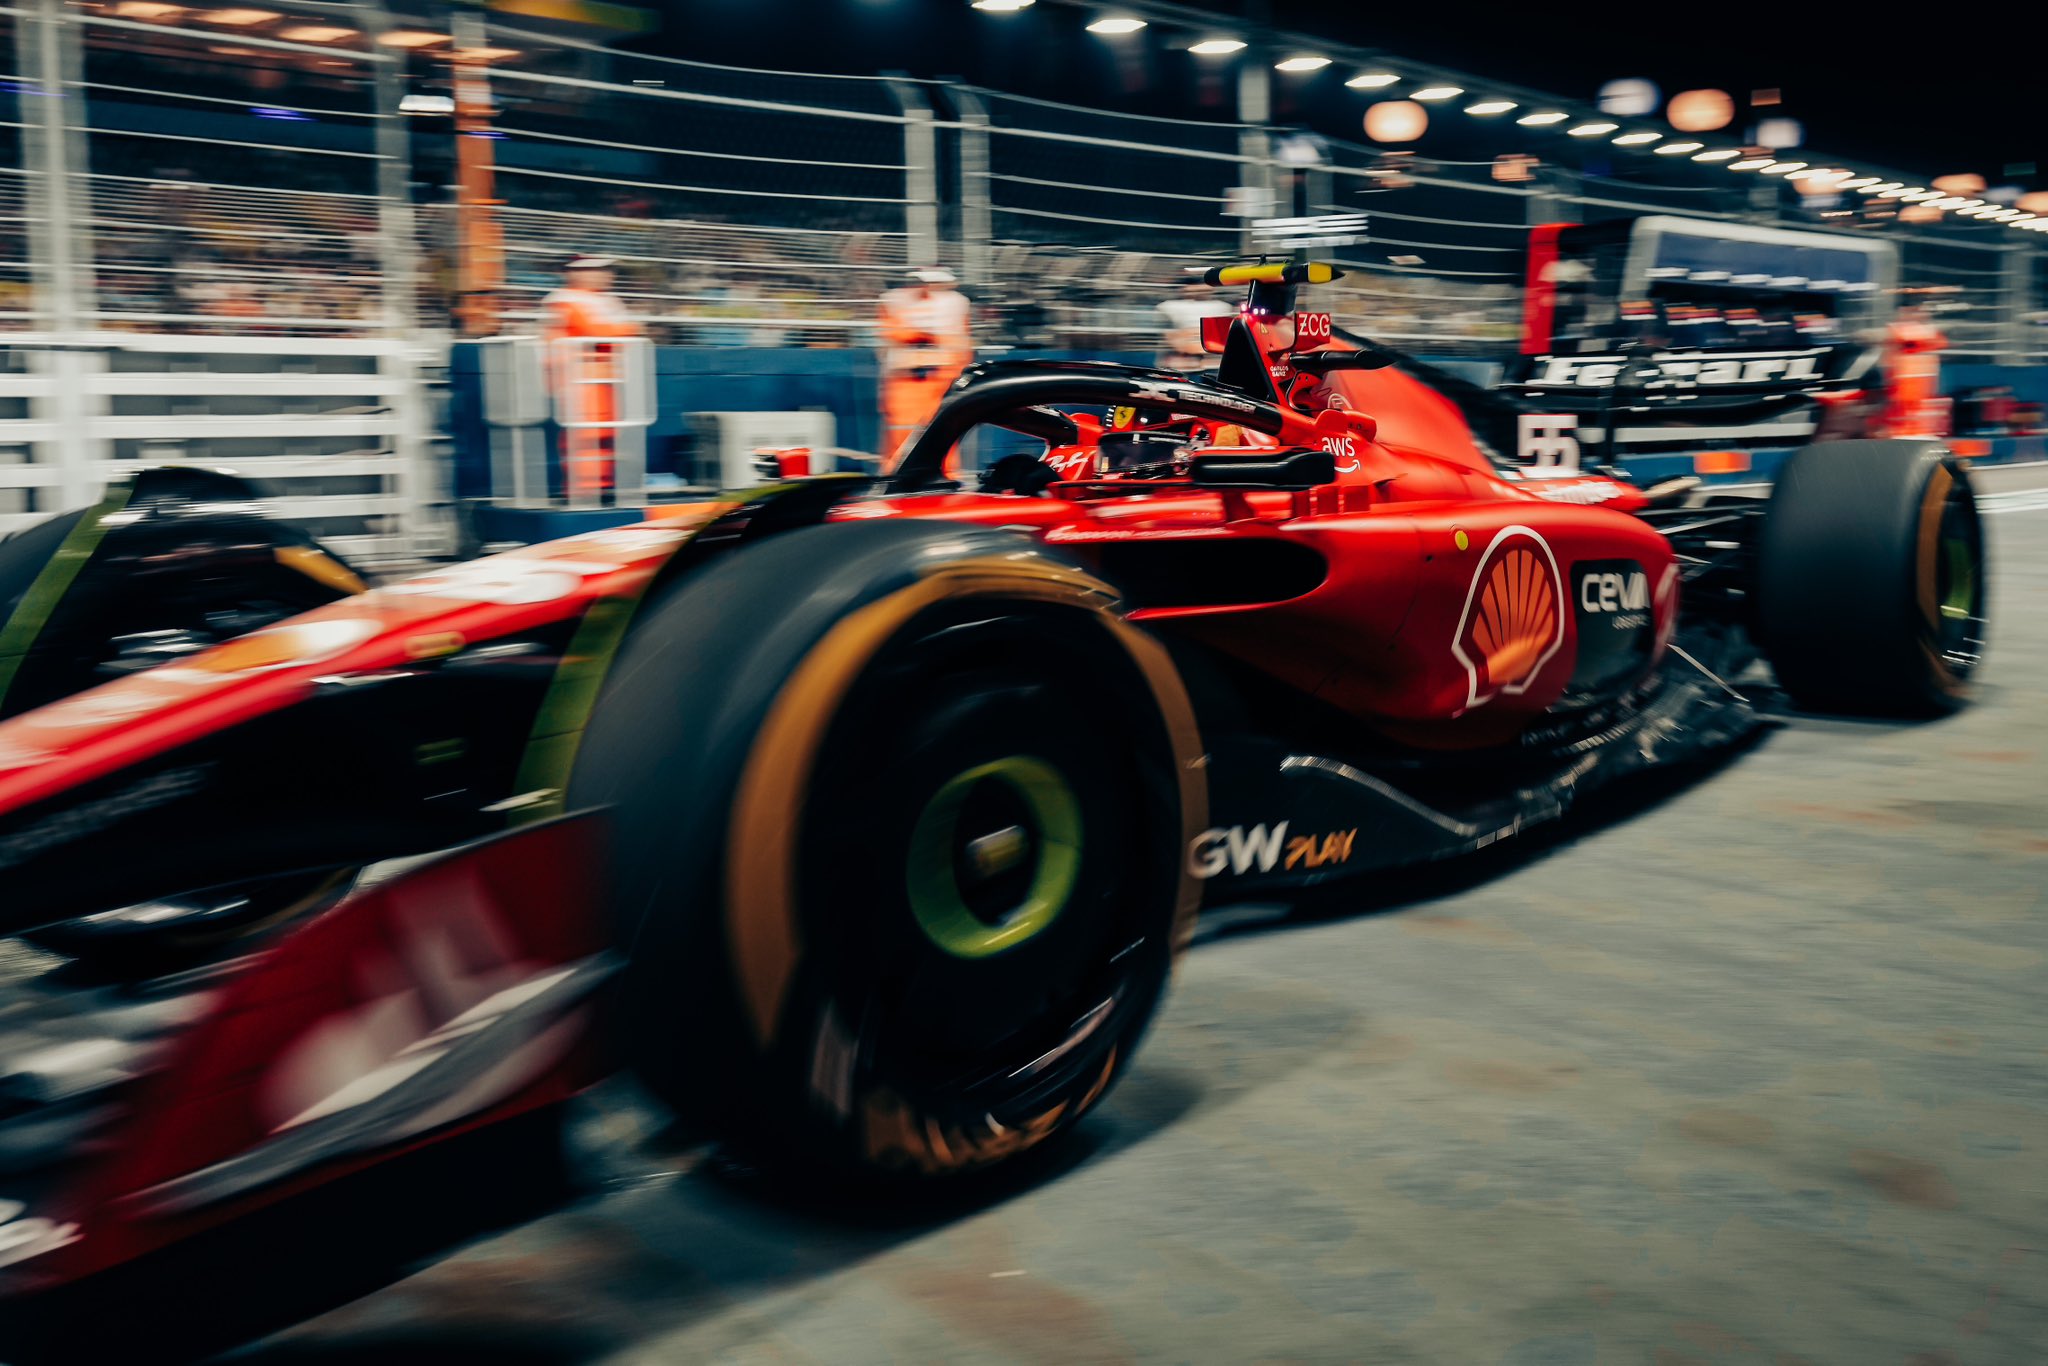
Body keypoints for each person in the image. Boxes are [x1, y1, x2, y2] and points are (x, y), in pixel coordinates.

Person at [540, 253, 643, 500]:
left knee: (606, 434)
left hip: (604, 379)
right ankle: (583, 489)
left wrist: (622, 332)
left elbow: (618, 333)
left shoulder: (607, 300)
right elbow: (599, 330)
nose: (604, 275)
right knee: (584, 436)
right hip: (577, 380)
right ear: (575, 273)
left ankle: (603, 486)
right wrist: (625, 331)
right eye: (594, 270)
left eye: (605, 270)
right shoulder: (565, 300)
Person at [877, 267, 972, 460]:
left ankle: (944, 475)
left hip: (938, 379)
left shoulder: (954, 305)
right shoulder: (897, 303)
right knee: (910, 433)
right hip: (908, 381)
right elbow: (895, 335)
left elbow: (960, 346)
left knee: (939, 430)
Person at [1880, 304, 1948, 438]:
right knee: (1905, 406)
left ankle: (1911, 431)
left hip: (1918, 375)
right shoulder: (1901, 329)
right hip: (1907, 375)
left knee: (1913, 406)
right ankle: (1906, 431)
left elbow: (1939, 343)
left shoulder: (1907, 329)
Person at [1155, 281, 1232, 373]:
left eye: (1202, 290)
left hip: (1212, 360)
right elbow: (1169, 336)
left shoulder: (1222, 307)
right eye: (1195, 290)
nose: (1199, 292)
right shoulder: (1170, 306)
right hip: (1180, 361)